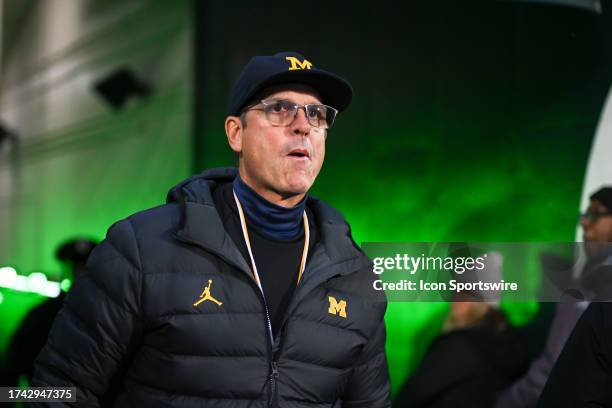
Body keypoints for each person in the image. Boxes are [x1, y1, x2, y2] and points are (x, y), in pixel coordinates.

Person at [31, 52, 390, 407]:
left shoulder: (355, 275)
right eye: (280, 109)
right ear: (236, 133)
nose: (303, 125)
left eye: (317, 113)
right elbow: (57, 391)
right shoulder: (141, 249)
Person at [496, 186, 612, 408]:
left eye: (596, 213)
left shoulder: (595, 287)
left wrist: (504, 404)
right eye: (585, 215)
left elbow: (554, 367)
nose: (585, 223)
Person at [394, 252, 529, 408]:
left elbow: (412, 396)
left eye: (465, 293)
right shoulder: (509, 341)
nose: (455, 300)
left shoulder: (460, 345)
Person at [3, 238, 97, 389]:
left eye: (85, 268)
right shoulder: (42, 315)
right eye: (76, 268)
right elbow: (9, 374)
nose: (80, 274)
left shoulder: (111, 313)